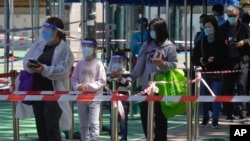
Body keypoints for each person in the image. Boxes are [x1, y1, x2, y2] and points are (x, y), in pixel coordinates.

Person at [18, 17, 74, 141]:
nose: (44, 32)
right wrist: (30, 65)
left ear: (58, 33)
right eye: (44, 29)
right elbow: (27, 58)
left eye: (48, 30)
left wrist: (44, 69)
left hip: (54, 94)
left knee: (51, 126)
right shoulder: (39, 45)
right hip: (37, 93)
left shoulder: (64, 50)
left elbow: (62, 71)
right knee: (41, 126)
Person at [131, 17, 178, 141]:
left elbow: (174, 64)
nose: (152, 32)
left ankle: (161, 139)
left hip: (162, 87)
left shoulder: (170, 46)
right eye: (150, 30)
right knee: (145, 115)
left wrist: (163, 64)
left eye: (154, 30)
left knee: (160, 117)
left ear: (161, 30)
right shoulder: (146, 45)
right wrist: (131, 76)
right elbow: (140, 63)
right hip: (146, 87)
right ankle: (149, 138)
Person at [192, 15, 227, 128]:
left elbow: (225, 58)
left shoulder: (221, 42)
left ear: (215, 28)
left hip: (217, 73)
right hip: (204, 73)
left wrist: (215, 60)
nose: (207, 29)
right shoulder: (201, 42)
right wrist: (200, 60)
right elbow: (194, 57)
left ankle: (215, 120)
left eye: (209, 27)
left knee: (215, 97)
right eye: (205, 27)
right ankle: (205, 118)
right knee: (203, 96)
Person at [218, 5, 250, 122]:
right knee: (227, 88)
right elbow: (218, 44)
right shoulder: (222, 28)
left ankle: (243, 113)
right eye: (229, 15)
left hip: (242, 62)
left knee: (242, 87)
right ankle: (229, 114)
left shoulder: (245, 28)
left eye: (234, 16)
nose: (231, 17)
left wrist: (244, 42)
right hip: (227, 62)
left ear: (238, 15)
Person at [71, 38, 106, 141]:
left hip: (95, 98)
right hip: (81, 97)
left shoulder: (98, 64)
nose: (86, 49)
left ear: (95, 49)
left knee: (94, 122)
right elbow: (74, 79)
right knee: (83, 124)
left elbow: (102, 81)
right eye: (84, 46)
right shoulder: (79, 64)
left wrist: (88, 86)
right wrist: (78, 86)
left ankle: (94, 139)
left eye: (89, 46)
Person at [107, 52, 132, 141]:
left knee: (123, 121)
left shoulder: (127, 73)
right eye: (115, 61)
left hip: (123, 99)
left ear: (124, 62)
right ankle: (113, 137)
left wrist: (121, 78)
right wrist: (111, 77)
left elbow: (129, 86)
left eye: (119, 61)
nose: (117, 63)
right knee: (113, 119)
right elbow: (105, 85)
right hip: (112, 99)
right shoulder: (110, 73)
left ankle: (123, 138)